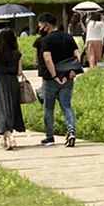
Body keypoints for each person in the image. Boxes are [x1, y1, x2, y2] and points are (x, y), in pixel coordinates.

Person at [33, 11, 81, 147]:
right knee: (67, 106)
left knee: (49, 108)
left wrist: (55, 76)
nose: (40, 28)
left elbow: (47, 59)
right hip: (68, 77)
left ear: (47, 26)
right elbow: (78, 53)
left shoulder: (46, 40)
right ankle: (71, 131)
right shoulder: (67, 36)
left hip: (50, 79)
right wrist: (73, 71)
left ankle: (49, 137)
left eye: (40, 25)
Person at [0, 27, 24, 150]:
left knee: (0, 109)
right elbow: (19, 72)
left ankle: (10, 136)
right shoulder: (17, 54)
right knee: (10, 108)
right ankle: (4, 138)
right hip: (13, 82)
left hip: (0, 82)